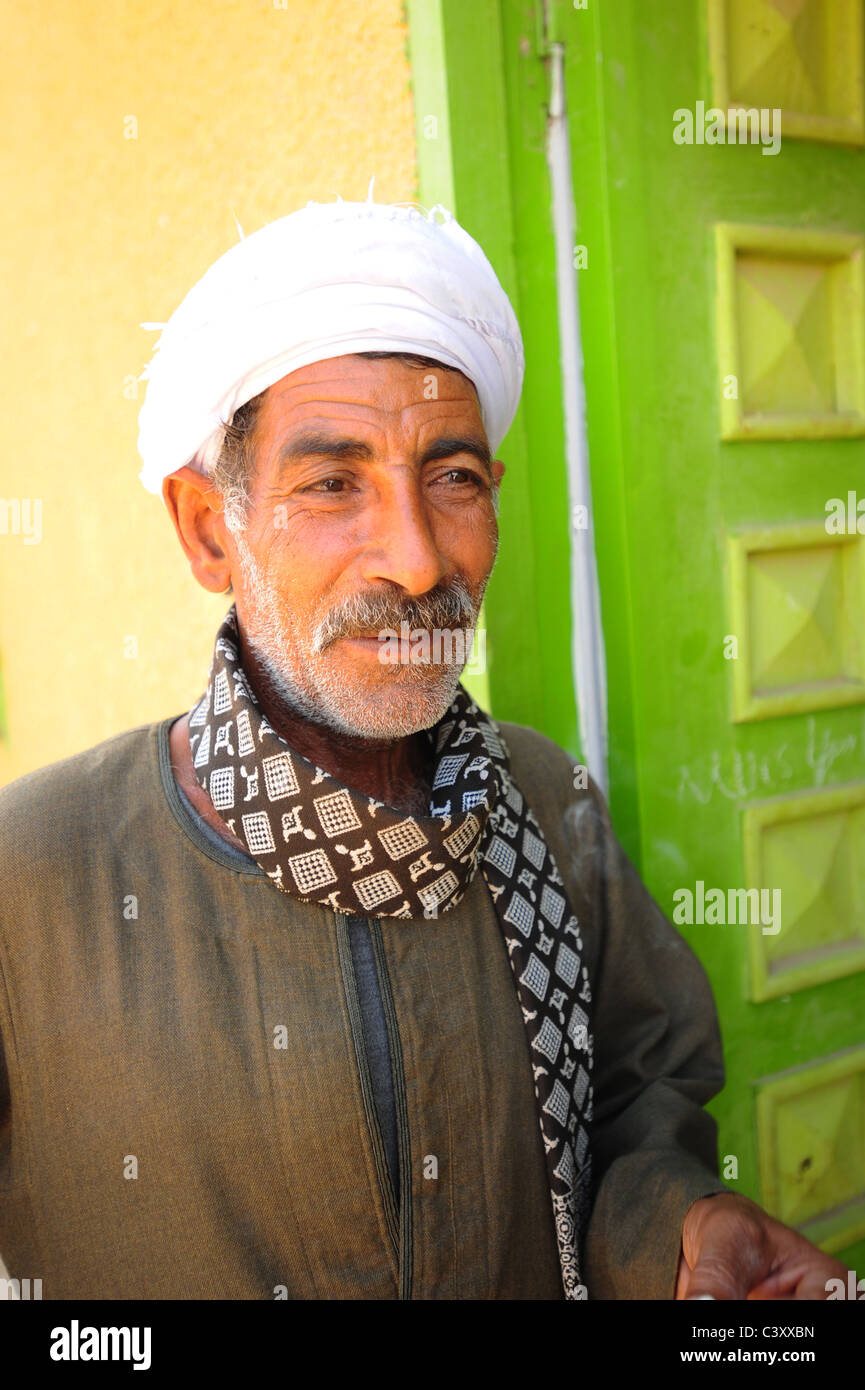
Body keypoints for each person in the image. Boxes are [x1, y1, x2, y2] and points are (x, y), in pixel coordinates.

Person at [0, 194, 848, 1300]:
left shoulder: (543, 798)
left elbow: (639, 1095)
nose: (412, 556)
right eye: (331, 483)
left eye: (450, 475)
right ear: (211, 528)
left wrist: (678, 1228)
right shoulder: (34, 875)